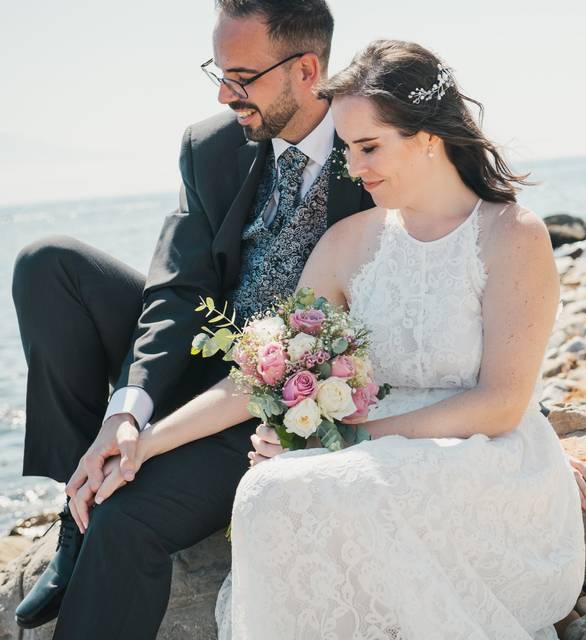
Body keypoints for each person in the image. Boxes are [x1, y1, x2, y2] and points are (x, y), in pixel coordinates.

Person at [91, 40, 586, 639]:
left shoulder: (513, 235)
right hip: (375, 453)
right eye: (349, 149)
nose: (354, 169)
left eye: (370, 147)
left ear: (429, 136)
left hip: (483, 461)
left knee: (319, 485)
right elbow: (263, 374)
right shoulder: (351, 241)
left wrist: (349, 440)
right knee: (268, 487)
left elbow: (503, 402)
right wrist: (144, 442)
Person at [11, 1, 375, 636]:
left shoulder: (375, 148)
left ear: (307, 70)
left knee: (129, 518)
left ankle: (104, 515)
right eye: (218, 70)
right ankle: (78, 501)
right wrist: (126, 413)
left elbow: (447, 268)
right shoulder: (210, 145)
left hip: (280, 398)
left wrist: (516, 424)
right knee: (49, 264)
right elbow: (176, 289)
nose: (224, 92)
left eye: (241, 76)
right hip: (203, 352)